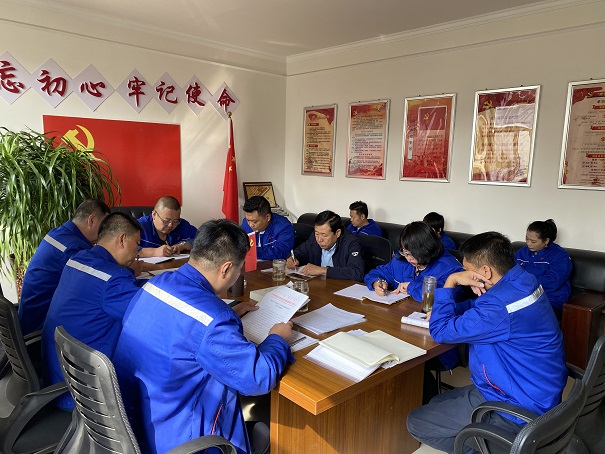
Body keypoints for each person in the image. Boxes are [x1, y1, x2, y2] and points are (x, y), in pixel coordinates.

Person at [113, 220, 293, 454]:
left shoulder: (155, 284)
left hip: (133, 421)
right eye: (239, 269)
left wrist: (227, 312)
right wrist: (277, 338)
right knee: (267, 431)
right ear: (226, 268)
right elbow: (258, 378)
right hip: (183, 440)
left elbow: (182, 324)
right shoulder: (213, 321)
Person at [407, 232, 567, 454]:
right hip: (535, 388)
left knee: (416, 421)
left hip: (516, 405)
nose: (464, 275)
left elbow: (440, 331)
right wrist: (453, 309)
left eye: (467, 270)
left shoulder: (498, 308)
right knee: (436, 403)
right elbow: (484, 309)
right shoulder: (522, 279)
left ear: (485, 272)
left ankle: (488, 448)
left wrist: (451, 281)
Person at [41, 212, 146, 409]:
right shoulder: (113, 279)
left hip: (57, 377)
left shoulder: (78, 259)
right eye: (137, 244)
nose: (137, 252)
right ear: (122, 239)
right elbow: (147, 315)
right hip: (86, 395)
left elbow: (107, 288)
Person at [18, 199, 111, 335]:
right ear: (91, 220)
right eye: (104, 226)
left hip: (29, 317)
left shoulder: (58, 233)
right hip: (41, 328)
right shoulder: (74, 248)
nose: (105, 233)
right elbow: (98, 283)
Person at [364, 221, 463, 301]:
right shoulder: (401, 260)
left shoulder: (449, 267)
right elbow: (377, 273)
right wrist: (376, 282)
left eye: (413, 254)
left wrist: (411, 287)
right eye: (405, 253)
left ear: (427, 249)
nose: (409, 258)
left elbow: (445, 296)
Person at [515, 219, 572, 321]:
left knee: (525, 319)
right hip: (520, 296)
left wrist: (522, 284)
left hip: (549, 300)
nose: (528, 243)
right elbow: (510, 274)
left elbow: (552, 282)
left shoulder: (560, 256)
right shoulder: (521, 253)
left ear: (546, 241)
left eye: (533, 241)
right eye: (527, 239)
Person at [287, 210, 364, 281]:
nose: (319, 239)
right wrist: (293, 259)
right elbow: (300, 252)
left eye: (324, 235)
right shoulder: (314, 237)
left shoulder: (351, 242)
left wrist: (323, 270)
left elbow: (357, 273)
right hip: (319, 284)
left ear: (337, 233)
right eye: (317, 233)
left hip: (340, 286)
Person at [241, 195, 294, 260]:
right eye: (248, 220)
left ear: (268, 217)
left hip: (273, 265)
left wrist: (253, 251)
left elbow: (282, 252)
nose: (250, 225)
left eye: (254, 222)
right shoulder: (245, 223)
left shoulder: (284, 227)